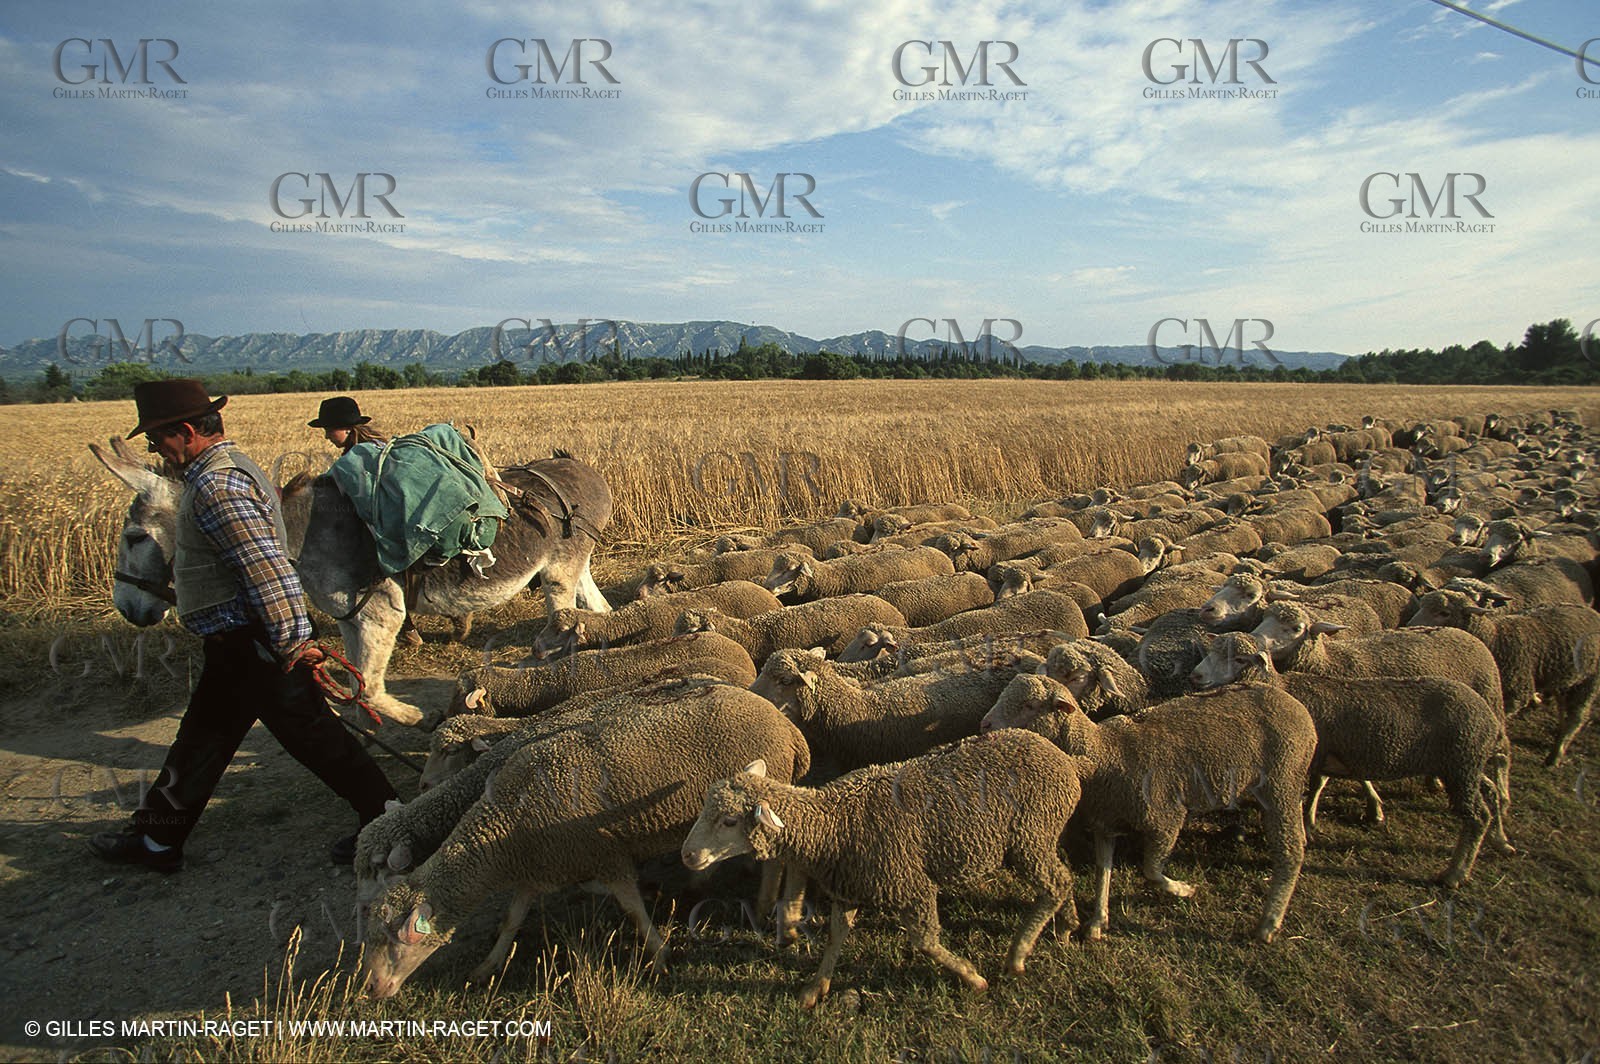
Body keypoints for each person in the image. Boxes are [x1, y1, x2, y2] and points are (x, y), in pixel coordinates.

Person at [89, 380, 398, 872]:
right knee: (201, 741)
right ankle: (157, 840)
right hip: (234, 644)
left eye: (157, 439)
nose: (153, 449)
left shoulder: (217, 485)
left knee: (316, 739)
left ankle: (391, 820)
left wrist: (296, 641)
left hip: (255, 644)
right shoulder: (223, 472)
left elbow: (266, 568)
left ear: (187, 431)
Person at [308, 395, 389, 453]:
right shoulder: (378, 446)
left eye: (329, 431)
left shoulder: (359, 455)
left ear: (347, 429)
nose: (326, 436)